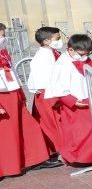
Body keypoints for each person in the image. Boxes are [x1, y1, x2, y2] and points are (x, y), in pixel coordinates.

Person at [0, 36, 61, 179]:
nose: (3, 39)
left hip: (12, 92)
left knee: (29, 127)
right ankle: (8, 167)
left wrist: (20, 92)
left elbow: (12, 73)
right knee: (7, 134)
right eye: (1, 35)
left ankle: (36, 159)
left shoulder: (4, 53)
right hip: (2, 97)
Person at [45, 34, 92, 165]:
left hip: (89, 97)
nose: (84, 57)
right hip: (75, 102)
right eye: (81, 54)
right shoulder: (62, 63)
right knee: (79, 132)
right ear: (70, 50)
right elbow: (57, 85)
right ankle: (80, 158)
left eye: (87, 54)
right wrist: (71, 100)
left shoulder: (84, 59)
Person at [28, 26, 65, 157]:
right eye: (57, 38)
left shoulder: (52, 53)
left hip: (52, 92)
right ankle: (59, 149)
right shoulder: (43, 56)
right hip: (48, 93)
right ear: (46, 41)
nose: (60, 41)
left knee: (56, 122)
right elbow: (46, 77)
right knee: (52, 123)